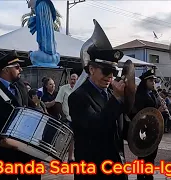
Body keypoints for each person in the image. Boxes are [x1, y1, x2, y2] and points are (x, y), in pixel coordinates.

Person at [68, 20, 128, 180]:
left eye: (113, 72)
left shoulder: (110, 94)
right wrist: (116, 98)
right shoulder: (78, 97)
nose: (110, 76)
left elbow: (119, 128)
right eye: (106, 71)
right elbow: (96, 127)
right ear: (91, 69)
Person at [0, 51, 41, 180]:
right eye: (17, 67)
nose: (21, 70)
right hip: (4, 151)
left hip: (26, 148)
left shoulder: (21, 86)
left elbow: (31, 108)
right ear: (6, 70)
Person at [129, 69, 163, 180]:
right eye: (150, 80)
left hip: (154, 128)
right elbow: (141, 113)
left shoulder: (153, 94)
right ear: (145, 82)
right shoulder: (140, 95)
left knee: (152, 154)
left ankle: (148, 175)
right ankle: (141, 176)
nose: (153, 82)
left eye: (154, 80)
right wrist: (159, 110)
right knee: (143, 155)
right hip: (144, 129)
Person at [55, 73, 78, 162]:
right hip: (67, 118)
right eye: (71, 79)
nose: (72, 81)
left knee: (73, 139)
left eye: (74, 79)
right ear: (69, 79)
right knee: (64, 139)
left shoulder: (80, 88)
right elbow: (58, 102)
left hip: (77, 118)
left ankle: (70, 158)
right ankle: (58, 158)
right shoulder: (63, 88)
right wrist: (63, 116)